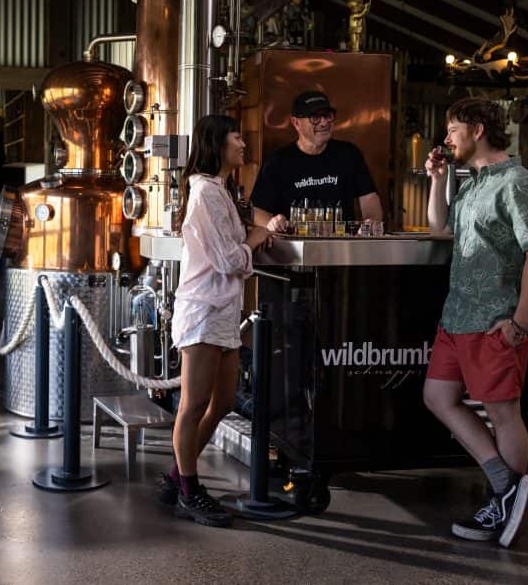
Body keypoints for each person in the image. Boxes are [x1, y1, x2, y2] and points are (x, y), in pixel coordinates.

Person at [423, 97, 528, 548]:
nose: (447, 139)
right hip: (458, 315)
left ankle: (504, 507)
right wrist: (437, 181)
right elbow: (440, 226)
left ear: (477, 129)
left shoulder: (517, 184)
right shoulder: (473, 182)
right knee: (438, 396)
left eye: (453, 129)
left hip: (497, 318)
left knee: (503, 413)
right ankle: (507, 488)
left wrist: (519, 322)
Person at [158, 115, 274, 528]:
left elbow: (229, 246)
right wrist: (255, 239)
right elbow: (228, 260)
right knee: (192, 406)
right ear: (217, 143)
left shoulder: (221, 191)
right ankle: (190, 491)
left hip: (223, 312)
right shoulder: (204, 194)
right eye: (237, 137)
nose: (243, 144)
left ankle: (175, 478)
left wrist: (252, 234)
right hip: (203, 309)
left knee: (223, 401)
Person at [251, 90, 383, 232]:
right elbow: (257, 211)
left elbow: (369, 198)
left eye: (327, 116)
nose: (324, 122)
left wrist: (371, 223)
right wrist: (272, 223)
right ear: (296, 123)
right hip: (294, 248)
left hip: (341, 247)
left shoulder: (348, 154)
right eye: (315, 117)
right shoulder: (278, 161)